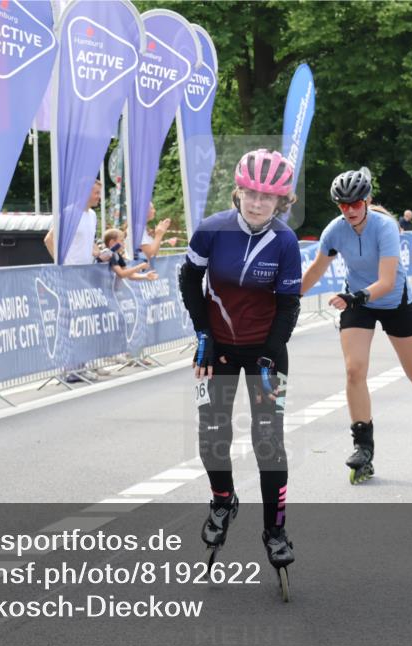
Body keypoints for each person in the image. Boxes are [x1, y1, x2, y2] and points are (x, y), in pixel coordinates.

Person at [301, 167, 412, 482]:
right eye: (343, 205)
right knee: (354, 370)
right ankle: (363, 448)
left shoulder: (385, 227)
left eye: (356, 203)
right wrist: (286, 299)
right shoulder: (335, 231)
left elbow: (386, 282)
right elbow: (316, 269)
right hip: (358, 305)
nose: (350, 210)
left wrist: (355, 297)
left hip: (394, 302)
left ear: (367, 200)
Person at [178, 148, 300, 587]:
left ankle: (275, 530)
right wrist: (204, 337)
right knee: (212, 432)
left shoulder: (285, 242)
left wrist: (271, 350)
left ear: (280, 202)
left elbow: (289, 304)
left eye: (266, 198)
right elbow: (188, 280)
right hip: (218, 348)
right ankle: (222, 499)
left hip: (267, 350)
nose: (256, 203)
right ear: (238, 191)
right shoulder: (211, 231)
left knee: (268, 440)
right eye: (250, 193)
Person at [44, 179, 102, 265]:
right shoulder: (69, 213)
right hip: (71, 272)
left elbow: (87, 240)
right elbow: (49, 239)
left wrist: (100, 253)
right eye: (97, 193)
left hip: (88, 270)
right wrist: (61, 264)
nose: (99, 196)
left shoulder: (93, 215)